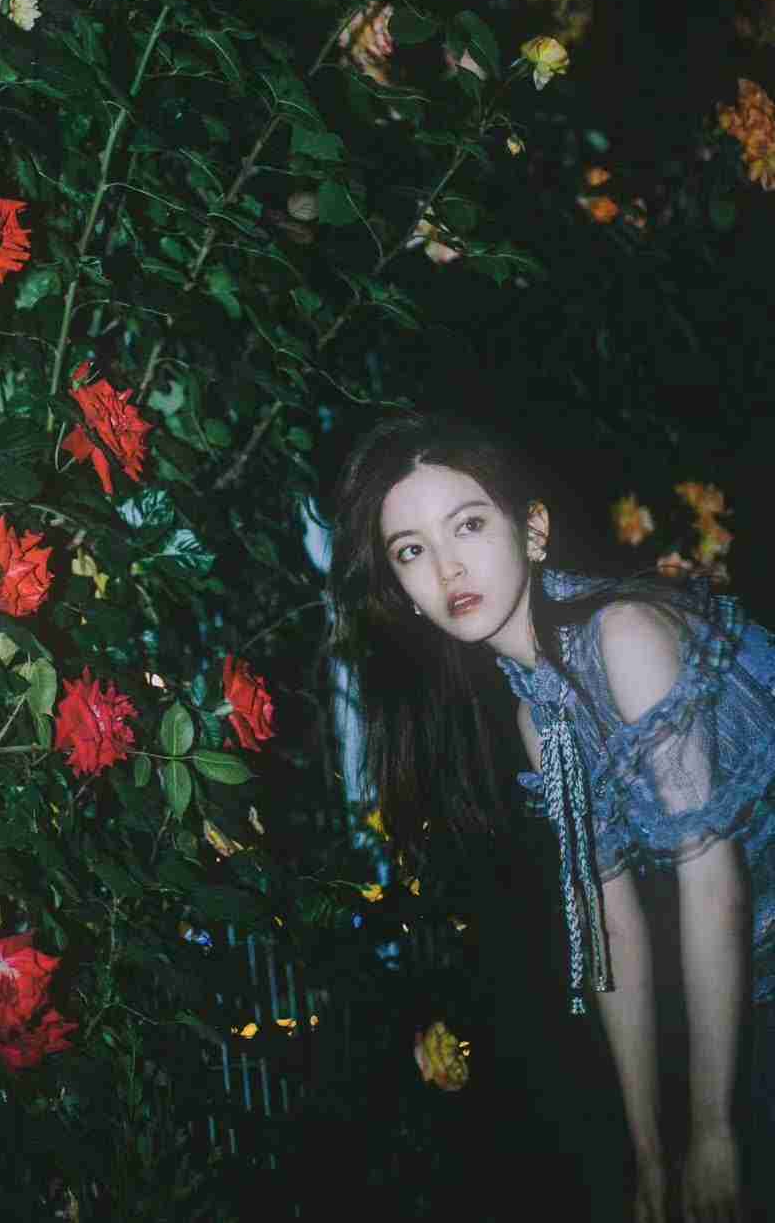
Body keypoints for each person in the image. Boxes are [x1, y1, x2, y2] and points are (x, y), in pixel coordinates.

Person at [326, 411, 775, 1223]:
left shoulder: (622, 636)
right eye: (411, 551)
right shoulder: (540, 715)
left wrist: (714, 1132)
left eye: (468, 525)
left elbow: (713, 883)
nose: (447, 567)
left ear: (533, 531)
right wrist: (649, 1156)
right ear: (403, 593)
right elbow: (610, 930)